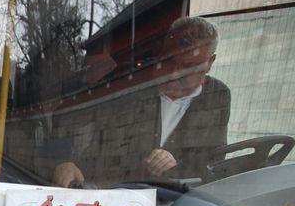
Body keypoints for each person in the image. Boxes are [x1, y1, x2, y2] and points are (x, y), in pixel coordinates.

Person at [52, 16, 231, 188]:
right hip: (120, 202)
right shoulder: (132, 93)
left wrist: (174, 164)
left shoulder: (218, 96)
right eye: (169, 61)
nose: (175, 73)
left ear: (210, 62)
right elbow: (99, 151)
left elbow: (213, 163)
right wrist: (67, 164)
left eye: (188, 66)